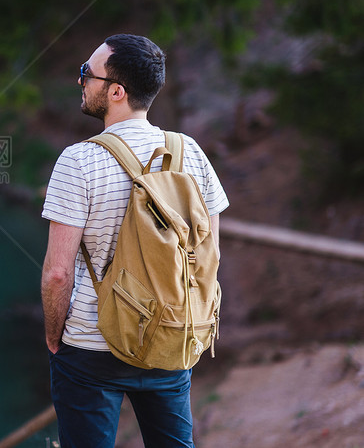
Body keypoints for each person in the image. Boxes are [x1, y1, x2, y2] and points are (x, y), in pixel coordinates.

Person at [40, 34, 229, 448]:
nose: (80, 82)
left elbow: (58, 273)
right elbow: (209, 254)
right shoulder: (190, 152)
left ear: (117, 91)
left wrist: (55, 336)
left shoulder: (78, 161)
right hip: (170, 337)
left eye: (86, 74)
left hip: (91, 347)